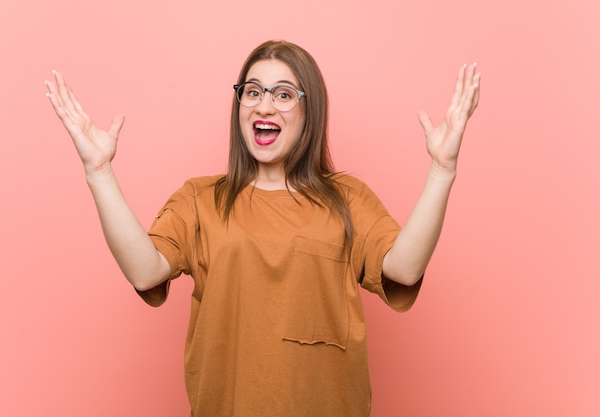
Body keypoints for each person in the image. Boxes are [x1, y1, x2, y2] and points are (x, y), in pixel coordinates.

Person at [45, 40, 480, 416]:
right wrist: (98, 171)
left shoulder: (346, 198)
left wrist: (442, 169)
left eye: (283, 94)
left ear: (311, 110)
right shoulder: (201, 199)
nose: (264, 105)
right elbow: (145, 270)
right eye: (252, 92)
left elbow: (403, 269)